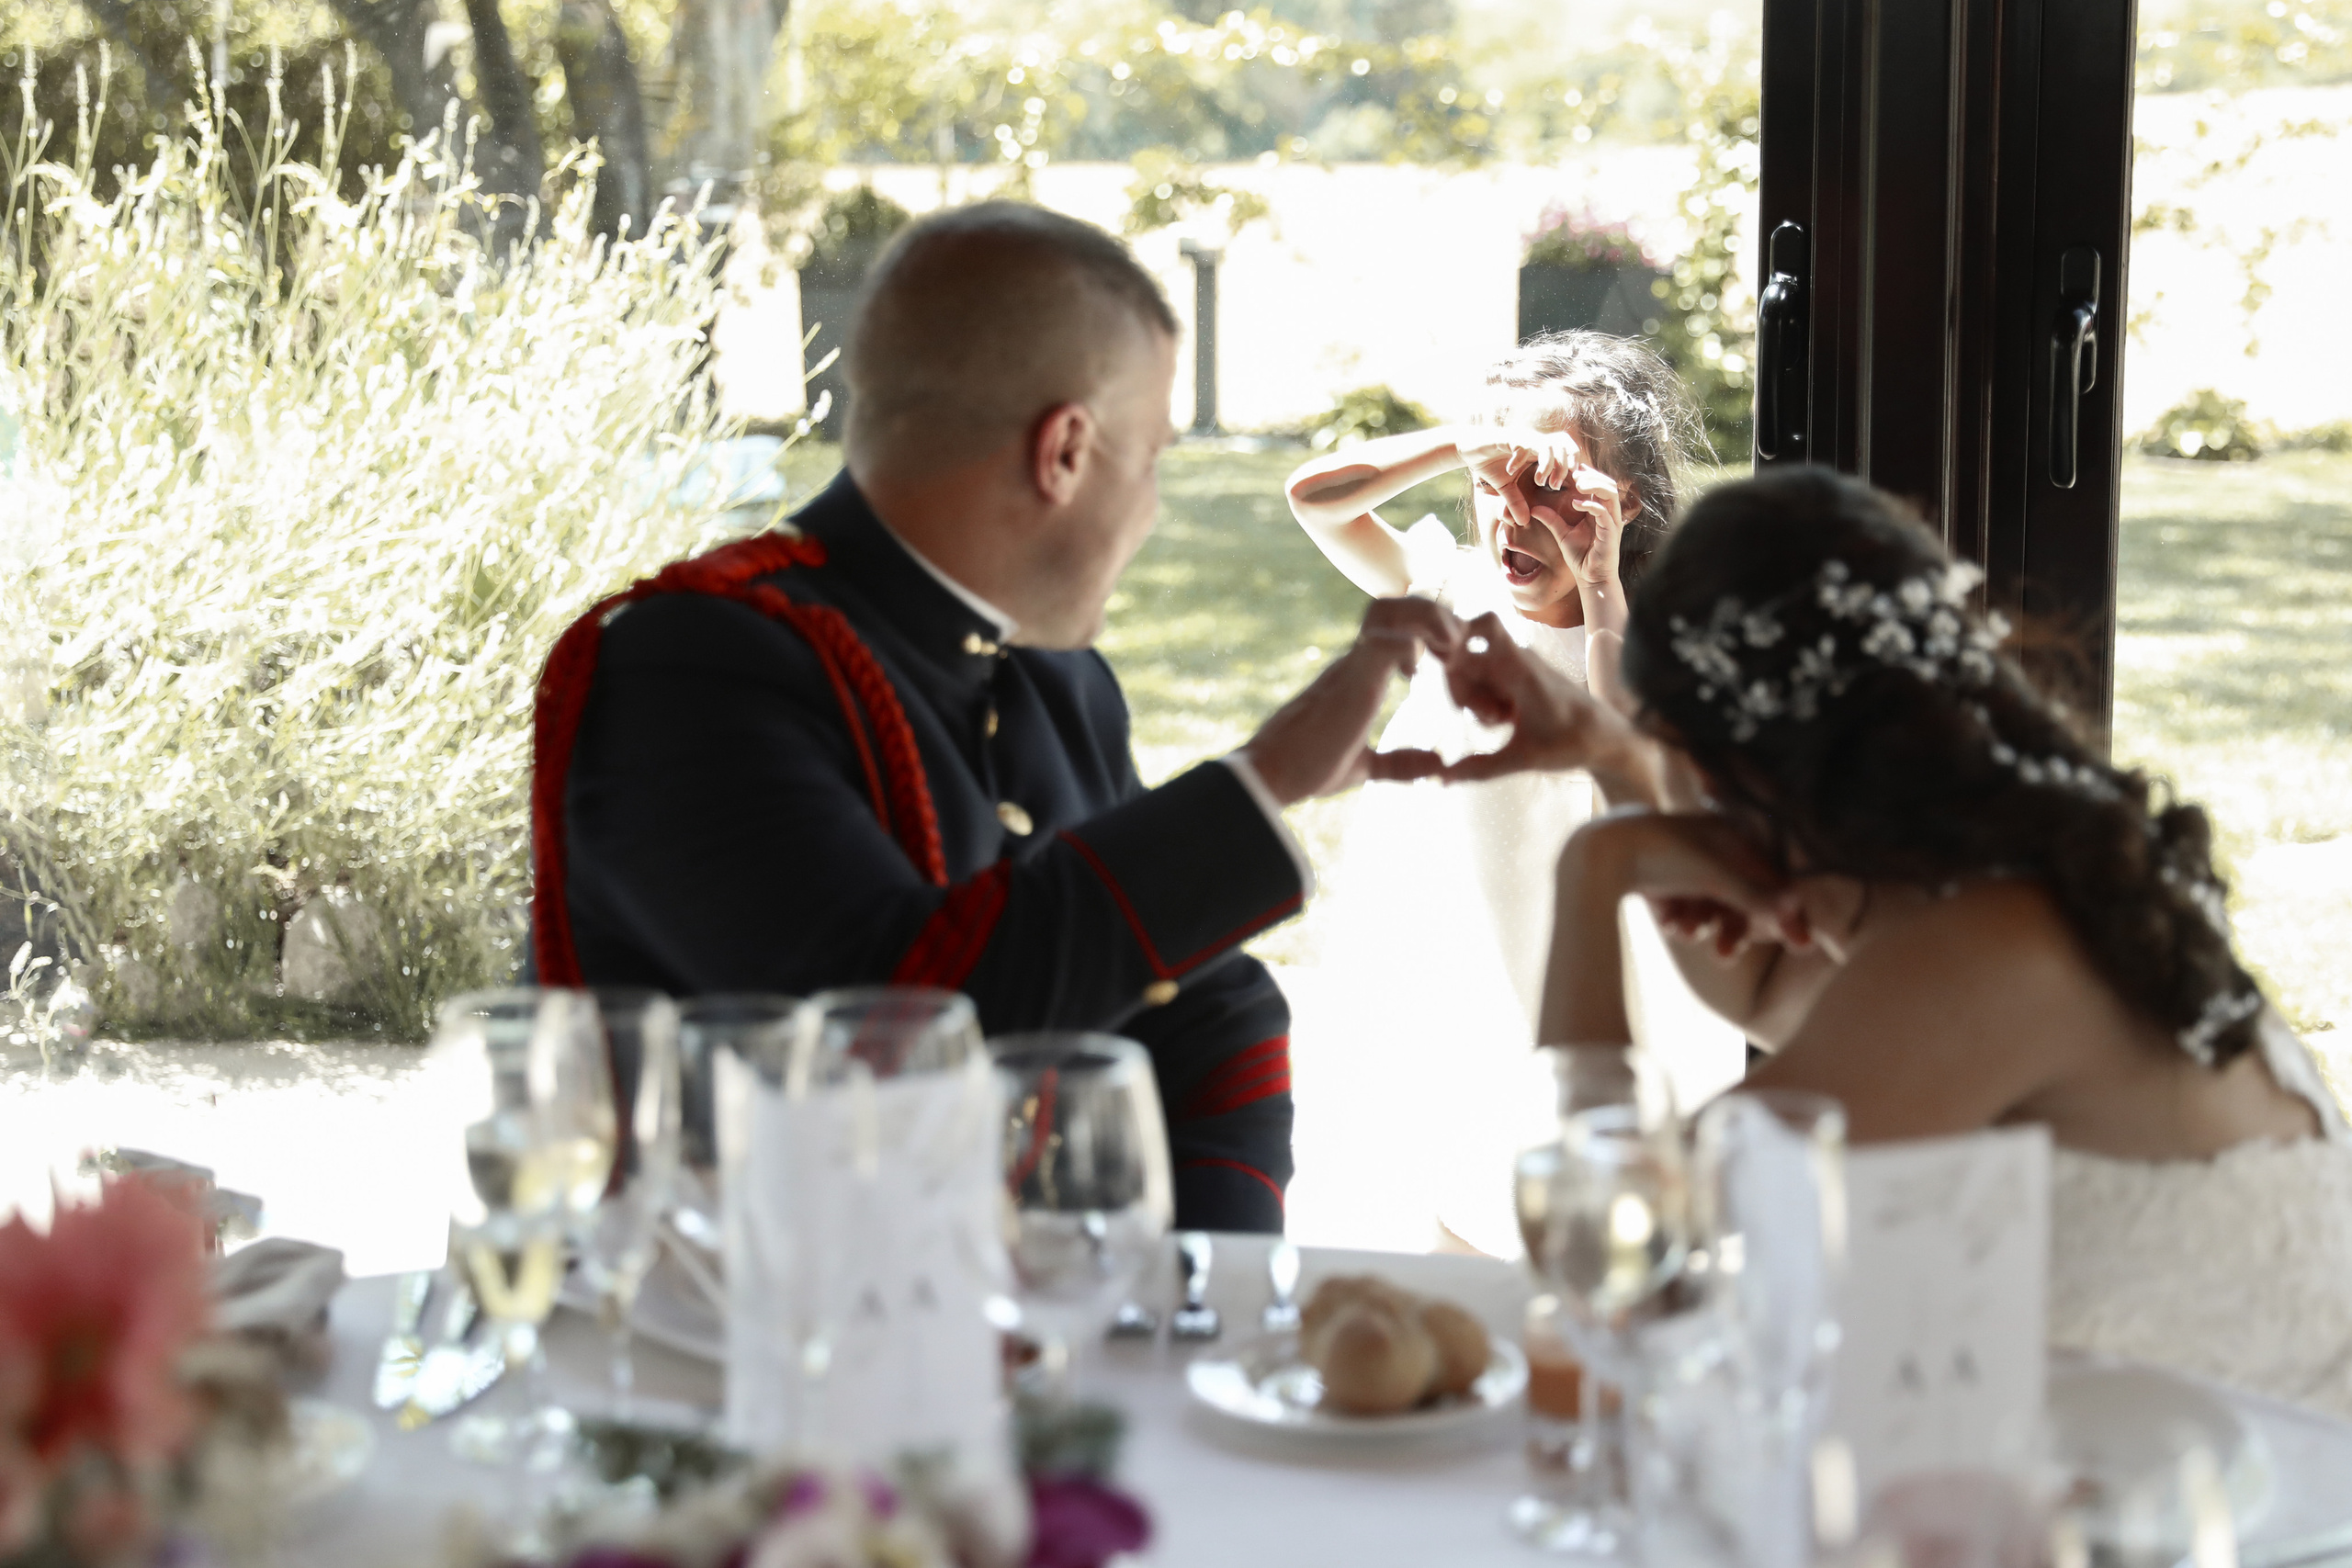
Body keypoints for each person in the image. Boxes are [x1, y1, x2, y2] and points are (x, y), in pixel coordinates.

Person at [529, 202, 1456, 1235]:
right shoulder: (691, 663)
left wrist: (1204, 1288)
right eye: (1151, 458)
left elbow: (1207, 1007)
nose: (1153, 508)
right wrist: (1266, 775)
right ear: (1064, 451)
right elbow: (898, 1035)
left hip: (1013, 1310)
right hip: (723, 1318)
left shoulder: (1057, 680)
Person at [1408, 467, 2352, 1413]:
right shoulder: (2012, 864)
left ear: (1736, 769)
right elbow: (1763, 986)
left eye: (1666, 748)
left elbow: (1609, 1243)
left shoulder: (1991, 953)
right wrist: (1615, 761)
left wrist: (1595, 869)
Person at [1276, 335, 1744, 1255]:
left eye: (1549, 490)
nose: (1514, 517)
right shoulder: (1451, 588)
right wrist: (1465, 441)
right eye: (1496, 485)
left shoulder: (1647, 636)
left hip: (1572, 944)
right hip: (1444, 932)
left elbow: (1620, 734)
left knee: (1570, 1162)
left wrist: (1601, 581)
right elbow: (1315, 499)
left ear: (1622, 503)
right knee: (1439, 1142)